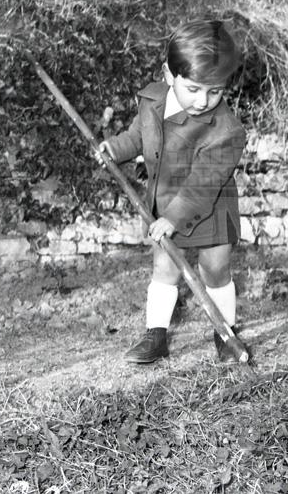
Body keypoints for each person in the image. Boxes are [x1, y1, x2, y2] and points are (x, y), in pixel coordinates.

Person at [99, 19, 246, 363]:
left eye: (215, 91)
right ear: (169, 75)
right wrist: (115, 149)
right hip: (166, 201)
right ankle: (156, 335)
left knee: (214, 268)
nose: (203, 101)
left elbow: (203, 185)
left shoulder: (226, 131)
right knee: (164, 267)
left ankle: (225, 332)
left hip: (210, 207)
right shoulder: (153, 101)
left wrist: (173, 218)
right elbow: (138, 136)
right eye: (193, 89)